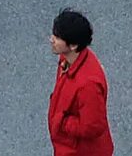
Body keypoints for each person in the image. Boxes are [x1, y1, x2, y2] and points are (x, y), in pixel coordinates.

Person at [45, 9, 110, 156]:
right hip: (67, 147)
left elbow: (92, 127)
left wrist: (61, 122)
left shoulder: (88, 85)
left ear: (73, 45)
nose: (51, 39)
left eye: (57, 36)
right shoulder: (66, 59)